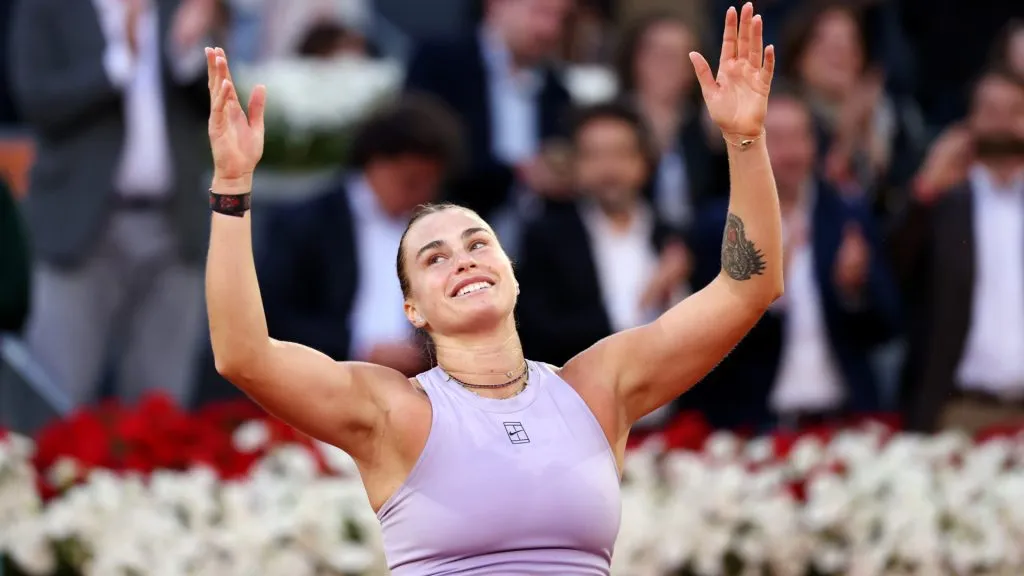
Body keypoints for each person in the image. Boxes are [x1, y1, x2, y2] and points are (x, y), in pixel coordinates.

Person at [205, 3, 782, 573]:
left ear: (511, 272)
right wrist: (232, 185)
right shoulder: (391, 409)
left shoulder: (595, 388)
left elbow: (749, 286)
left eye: (478, 243)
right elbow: (243, 354)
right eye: (435, 257)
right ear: (413, 309)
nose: (463, 260)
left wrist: (745, 139)